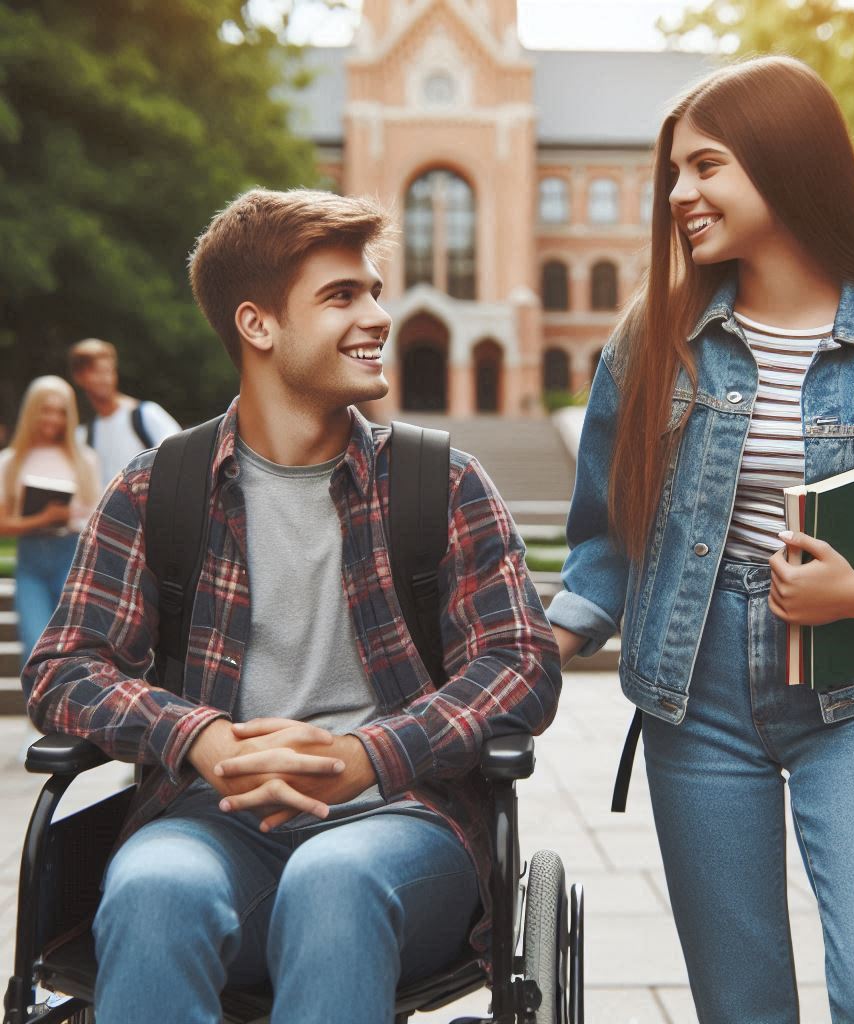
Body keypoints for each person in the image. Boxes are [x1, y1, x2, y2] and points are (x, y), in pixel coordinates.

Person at [547, 55, 854, 1024]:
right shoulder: (653, 336)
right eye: (674, 172)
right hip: (693, 701)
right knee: (742, 1007)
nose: (680, 193)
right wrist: (531, 652)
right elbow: (605, 539)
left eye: (707, 166)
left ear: (787, 161)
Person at [25, 188, 561, 1023]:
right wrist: (192, 735)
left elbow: (521, 662)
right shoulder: (157, 488)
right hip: (207, 820)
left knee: (332, 882)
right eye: (343, 296)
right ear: (259, 325)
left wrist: (368, 756)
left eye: (377, 291)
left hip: (402, 822)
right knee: (152, 888)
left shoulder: (441, 483)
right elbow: (63, 668)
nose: (378, 316)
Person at [0, 376, 101, 697]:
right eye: (46, 410)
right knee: (35, 647)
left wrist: (70, 516)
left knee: (74, 649)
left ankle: (70, 725)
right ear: (32, 411)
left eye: (60, 412)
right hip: (31, 562)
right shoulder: (9, 462)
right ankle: (41, 727)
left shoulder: (84, 460)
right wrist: (43, 518)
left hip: (71, 558)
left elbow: (96, 519)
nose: (53, 419)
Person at [69, 336, 181, 486]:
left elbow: (178, 455)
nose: (105, 378)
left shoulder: (145, 414)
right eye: (96, 372)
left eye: (109, 371)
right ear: (79, 377)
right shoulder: (84, 435)